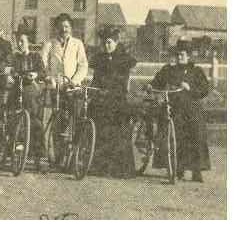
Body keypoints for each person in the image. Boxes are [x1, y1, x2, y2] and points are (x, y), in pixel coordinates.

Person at [149, 44, 211, 182]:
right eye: (177, 55)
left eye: (182, 55)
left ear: (188, 56)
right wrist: (150, 85)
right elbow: (157, 82)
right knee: (174, 135)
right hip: (174, 108)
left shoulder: (196, 71)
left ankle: (197, 171)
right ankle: (178, 169)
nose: (179, 57)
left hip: (192, 109)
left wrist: (190, 88)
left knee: (196, 134)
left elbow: (205, 89)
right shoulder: (169, 70)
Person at [89, 27, 137, 178]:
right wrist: (93, 89)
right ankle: (98, 166)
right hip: (101, 98)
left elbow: (122, 81)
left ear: (116, 42)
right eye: (104, 43)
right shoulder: (100, 58)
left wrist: (109, 89)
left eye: (109, 42)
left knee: (119, 128)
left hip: (117, 98)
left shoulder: (123, 59)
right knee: (93, 120)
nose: (107, 45)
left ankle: (120, 169)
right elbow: (96, 79)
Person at [40, 14, 89, 139]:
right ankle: (58, 151)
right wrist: (49, 77)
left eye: (67, 26)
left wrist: (75, 81)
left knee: (77, 115)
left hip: (72, 87)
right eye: (61, 27)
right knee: (59, 118)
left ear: (71, 28)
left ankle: (75, 146)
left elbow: (83, 65)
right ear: (56, 28)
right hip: (56, 87)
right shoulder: (50, 44)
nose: (64, 29)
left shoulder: (77, 44)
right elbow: (43, 64)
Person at [7, 31, 46, 170]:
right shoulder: (14, 57)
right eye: (18, 41)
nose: (19, 43)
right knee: (12, 119)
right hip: (17, 90)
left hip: (31, 91)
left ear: (28, 42)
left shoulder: (35, 56)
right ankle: (12, 152)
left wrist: (35, 74)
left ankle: (38, 158)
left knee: (36, 122)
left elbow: (42, 72)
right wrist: (9, 75)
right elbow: (7, 68)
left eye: (22, 41)